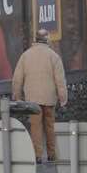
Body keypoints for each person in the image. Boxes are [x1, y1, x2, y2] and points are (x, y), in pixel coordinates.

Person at [11, 27, 67, 165]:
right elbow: (60, 80)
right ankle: (52, 154)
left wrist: (17, 96)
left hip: (32, 99)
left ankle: (37, 155)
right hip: (49, 98)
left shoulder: (26, 56)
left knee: (35, 126)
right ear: (47, 40)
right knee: (50, 125)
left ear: (35, 40)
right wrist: (63, 98)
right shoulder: (54, 57)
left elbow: (17, 78)